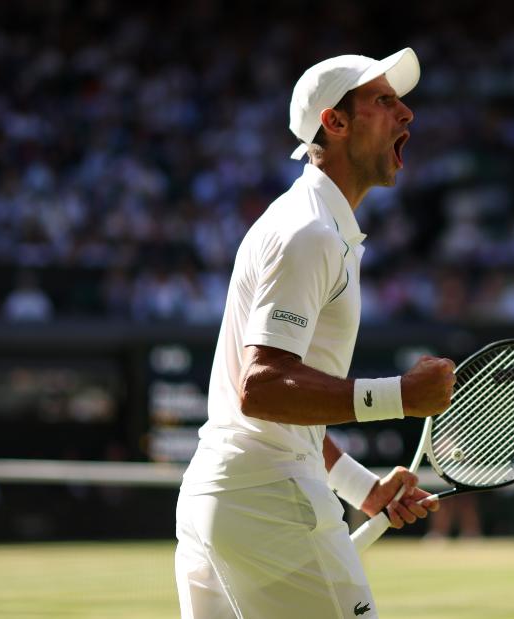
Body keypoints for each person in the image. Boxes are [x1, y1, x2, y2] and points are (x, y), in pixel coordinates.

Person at [175, 48, 456, 619]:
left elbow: (270, 408)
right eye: (383, 100)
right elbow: (264, 388)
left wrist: (361, 488)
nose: (406, 114)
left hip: (225, 496)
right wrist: (400, 396)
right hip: (266, 501)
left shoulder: (313, 224)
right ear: (335, 121)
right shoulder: (309, 233)